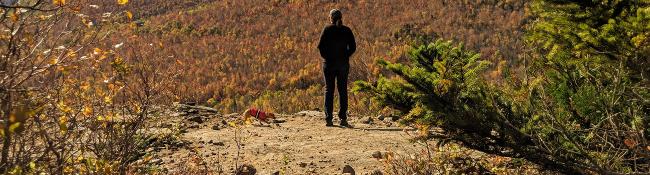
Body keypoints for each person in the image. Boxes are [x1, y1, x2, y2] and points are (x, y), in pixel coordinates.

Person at [318, 9, 356, 127]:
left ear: (331, 18)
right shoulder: (347, 30)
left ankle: (329, 119)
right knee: (342, 90)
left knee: (329, 89)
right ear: (341, 17)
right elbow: (353, 47)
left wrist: (327, 58)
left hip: (329, 65)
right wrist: (345, 56)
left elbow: (320, 47)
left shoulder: (327, 30)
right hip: (343, 65)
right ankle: (343, 119)